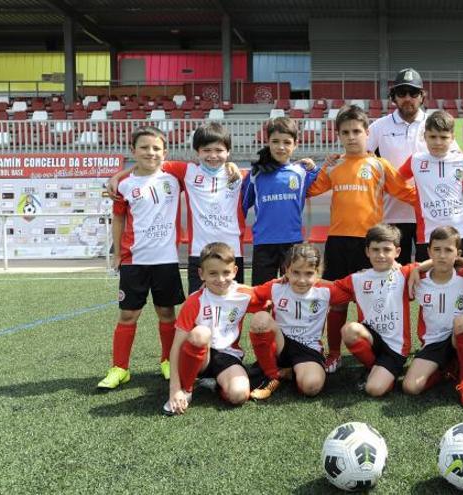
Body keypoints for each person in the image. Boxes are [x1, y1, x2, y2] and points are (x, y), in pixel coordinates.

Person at [307, 105, 417, 373]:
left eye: (357, 131)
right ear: (338, 136)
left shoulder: (379, 165)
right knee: (337, 301)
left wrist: (444, 194)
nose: (352, 136)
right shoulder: (334, 166)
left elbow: (407, 193)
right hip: (338, 241)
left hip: (370, 246)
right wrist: (311, 167)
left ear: (368, 133)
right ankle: (334, 353)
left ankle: (371, 351)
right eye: (345, 132)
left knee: (370, 301)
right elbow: (309, 190)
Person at [106, 123, 245, 294]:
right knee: (197, 308)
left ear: (228, 152)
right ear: (197, 152)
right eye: (207, 150)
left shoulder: (238, 176)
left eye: (219, 150)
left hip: (233, 252)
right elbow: (151, 162)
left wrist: (233, 165)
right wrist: (118, 176)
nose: (213, 155)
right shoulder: (187, 171)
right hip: (199, 253)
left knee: (234, 305)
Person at [97, 126, 186, 389]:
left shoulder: (175, 177)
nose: (150, 152)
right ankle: (120, 368)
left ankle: (168, 361)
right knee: (128, 315)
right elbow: (119, 219)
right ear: (133, 151)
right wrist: (116, 253)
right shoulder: (123, 185)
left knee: (167, 312)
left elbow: (207, 166)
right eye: (144, 147)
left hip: (166, 259)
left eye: (156, 148)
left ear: (165, 152)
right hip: (135, 260)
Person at [164, 242, 271, 414]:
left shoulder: (244, 294)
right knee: (201, 333)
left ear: (235, 271)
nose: (220, 280)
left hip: (227, 355)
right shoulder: (194, 301)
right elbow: (176, 347)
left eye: (226, 272)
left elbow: (273, 291)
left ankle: (215, 384)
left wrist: (285, 280)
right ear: (201, 274)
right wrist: (174, 389)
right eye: (213, 273)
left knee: (239, 395)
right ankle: (187, 388)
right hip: (199, 356)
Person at [248, 243, 351, 399]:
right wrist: (214, 287)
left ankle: (289, 372)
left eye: (309, 273)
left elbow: (356, 290)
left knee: (311, 387)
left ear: (318, 273)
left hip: (308, 349)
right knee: (260, 319)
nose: (302, 280)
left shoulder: (326, 291)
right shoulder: (276, 287)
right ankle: (273, 375)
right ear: (286, 270)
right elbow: (250, 294)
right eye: (296, 272)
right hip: (280, 344)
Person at [398, 110, 463, 261]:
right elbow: (395, 180)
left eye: (444, 137)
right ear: (425, 137)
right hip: (427, 236)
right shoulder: (415, 160)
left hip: (460, 234)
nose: (438, 142)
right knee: (426, 281)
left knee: (462, 280)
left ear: (452, 138)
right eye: (433, 137)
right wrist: (413, 198)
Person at [402, 226, 463, 408]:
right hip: (433, 342)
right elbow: (394, 268)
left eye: (448, 250)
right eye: (437, 250)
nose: (442, 255)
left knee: (461, 321)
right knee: (410, 387)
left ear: (458, 253)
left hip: (460, 335)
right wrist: (417, 267)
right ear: (429, 251)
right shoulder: (419, 279)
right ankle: (446, 370)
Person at [337, 224, 418, 397]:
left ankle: (382, 372)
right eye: (375, 250)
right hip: (371, 339)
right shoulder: (358, 278)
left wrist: (418, 267)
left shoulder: (404, 273)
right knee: (349, 330)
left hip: (395, 347)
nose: (380, 255)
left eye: (386, 250)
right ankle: (374, 367)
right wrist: (292, 280)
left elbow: (440, 261)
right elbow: (326, 290)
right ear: (367, 251)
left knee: (374, 390)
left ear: (397, 252)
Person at [243, 117, 319, 286]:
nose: (281, 147)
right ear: (267, 142)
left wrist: (313, 167)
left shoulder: (301, 172)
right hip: (264, 242)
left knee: (292, 292)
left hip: (292, 243)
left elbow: (318, 176)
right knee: (263, 296)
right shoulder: (256, 174)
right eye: (275, 141)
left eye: (287, 142)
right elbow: (242, 204)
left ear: (296, 144)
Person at [366, 67, 428, 266]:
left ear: (422, 96)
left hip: (426, 212)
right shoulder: (378, 127)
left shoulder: (433, 124)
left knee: (427, 272)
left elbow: (453, 155)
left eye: (413, 93)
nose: (408, 98)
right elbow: (359, 156)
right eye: (402, 93)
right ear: (394, 97)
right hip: (391, 213)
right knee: (393, 273)